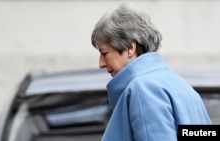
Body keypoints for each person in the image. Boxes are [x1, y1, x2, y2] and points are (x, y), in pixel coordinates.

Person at [90, 2, 212, 141]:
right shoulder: (181, 85)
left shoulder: (143, 88)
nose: (101, 63)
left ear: (130, 48)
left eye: (104, 53)